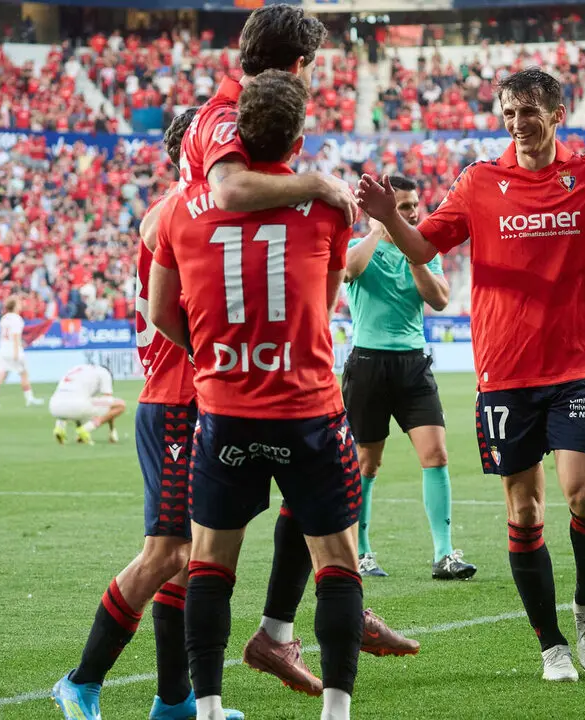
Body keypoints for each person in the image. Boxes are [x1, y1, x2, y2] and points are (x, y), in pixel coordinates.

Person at [356, 68, 585, 682]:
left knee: (584, 496)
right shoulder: (480, 181)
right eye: (507, 111)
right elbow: (425, 247)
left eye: (528, 109)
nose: (516, 121)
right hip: (504, 372)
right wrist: (386, 217)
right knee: (526, 511)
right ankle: (551, 643)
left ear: (557, 112)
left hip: (576, 365)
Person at [175, 5, 416, 696]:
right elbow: (227, 190)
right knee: (179, 550)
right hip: (248, 368)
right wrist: (321, 187)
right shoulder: (224, 117)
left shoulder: (241, 119)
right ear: (298, 65)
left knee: (277, 513)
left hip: (239, 362)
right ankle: (189, 689)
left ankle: (274, 639)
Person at [150, 69, 364, 720]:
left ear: (234, 134)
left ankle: (209, 708)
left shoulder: (178, 210)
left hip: (225, 409)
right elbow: (325, 306)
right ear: (298, 137)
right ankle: (336, 710)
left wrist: (218, 355)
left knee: (211, 561)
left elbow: (163, 312)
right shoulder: (327, 206)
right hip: (308, 408)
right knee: (337, 559)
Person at [51, 109, 244, 720]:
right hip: (174, 401)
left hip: (200, 398)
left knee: (186, 558)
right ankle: (81, 681)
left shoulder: (187, 208)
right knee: (165, 553)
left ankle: (175, 702)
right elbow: (187, 313)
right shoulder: (176, 213)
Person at [342, 176, 476, 581]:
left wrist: (409, 246)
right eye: (403, 207)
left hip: (413, 364)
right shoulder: (358, 247)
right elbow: (349, 271)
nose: (414, 212)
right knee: (367, 462)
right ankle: (361, 552)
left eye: (415, 205)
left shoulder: (423, 251)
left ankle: (443, 554)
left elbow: (438, 299)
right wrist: (379, 229)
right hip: (368, 363)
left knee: (435, 454)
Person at [49, 363, 126, 446]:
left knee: (79, 402)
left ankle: (59, 428)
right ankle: (86, 429)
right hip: (76, 406)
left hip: (54, 406)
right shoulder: (104, 373)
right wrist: (112, 430)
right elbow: (109, 403)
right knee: (120, 405)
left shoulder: (78, 368)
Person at [0, 296, 43, 407]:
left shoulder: (4, 318)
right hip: (13, 349)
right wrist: (17, 352)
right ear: (15, 306)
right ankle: (29, 398)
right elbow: (16, 336)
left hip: (3, 349)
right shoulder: (17, 319)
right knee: (23, 373)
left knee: (1, 374)